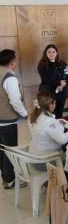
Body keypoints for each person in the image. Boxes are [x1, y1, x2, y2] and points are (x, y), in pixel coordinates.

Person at [28, 91, 68, 170]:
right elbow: (63, 139)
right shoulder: (48, 121)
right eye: (54, 103)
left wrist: (57, 122)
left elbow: (42, 127)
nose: (55, 105)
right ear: (50, 105)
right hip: (45, 162)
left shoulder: (32, 116)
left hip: (33, 157)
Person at [0, 49, 28, 189]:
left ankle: (5, 177)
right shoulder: (9, 77)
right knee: (10, 150)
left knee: (1, 149)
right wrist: (25, 114)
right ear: (12, 62)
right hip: (6, 121)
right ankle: (9, 180)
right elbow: (15, 101)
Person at [38, 44, 68, 119]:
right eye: (49, 52)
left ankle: (59, 128)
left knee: (59, 112)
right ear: (45, 53)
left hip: (62, 92)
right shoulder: (42, 65)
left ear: (56, 53)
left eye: (53, 52)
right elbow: (47, 78)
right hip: (49, 92)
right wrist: (59, 83)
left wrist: (63, 84)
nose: (51, 54)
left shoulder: (62, 63)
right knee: (49, 114)